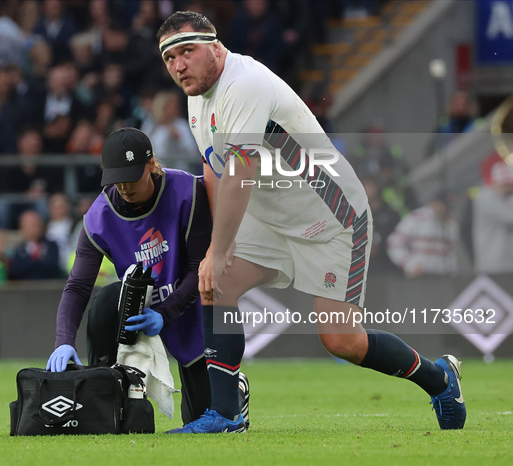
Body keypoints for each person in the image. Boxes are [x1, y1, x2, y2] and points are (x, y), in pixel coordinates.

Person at [157, 11, 465, 433]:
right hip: (271, 221)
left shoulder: (244, 83)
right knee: (217, 282)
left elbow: (242, 169)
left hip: (332, 218)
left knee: (342, 341)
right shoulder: (198, 97)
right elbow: (214, 169)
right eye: (170, 57)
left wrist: (220, 250)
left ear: (214, 45)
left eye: (186, 51)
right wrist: (217, 247)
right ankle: (225, 415)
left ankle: (440, 379)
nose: (178, 66)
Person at [45, 128, 247, 427]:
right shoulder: (98, 217)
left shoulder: (188, 192)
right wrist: (64, 340)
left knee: (203, 419)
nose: (124, 187)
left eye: (131, 177)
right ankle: (104, 388)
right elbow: (77, 286)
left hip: (188, 302)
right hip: (138, 308)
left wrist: (165, 315)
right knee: (106, 299)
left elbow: (199, 270)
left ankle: (235, 388)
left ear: (151, 166)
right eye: (117, 178)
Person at [387, 192, 459, 278]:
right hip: (418, 276)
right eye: (443, 206)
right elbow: (393, 243)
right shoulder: (417, 218)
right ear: (435, 203)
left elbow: (451, 252)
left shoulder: (451, 223)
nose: (445, 211)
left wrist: (452, 272)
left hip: (441, 277)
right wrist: (409, 265)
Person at [473, 161, 513, 274]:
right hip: (493, 264)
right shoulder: (485, 198)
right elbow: (510, 217)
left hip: (508, 263)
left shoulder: (506, 199)